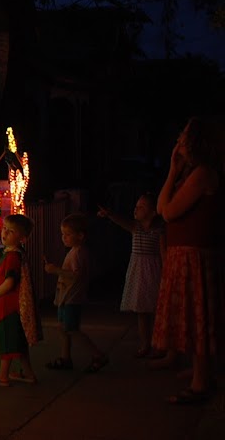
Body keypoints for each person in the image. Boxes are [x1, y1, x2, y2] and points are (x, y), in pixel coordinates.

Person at [151, 116, 222, 404]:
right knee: (192, 316)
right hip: (186, 253)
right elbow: (160, 206)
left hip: (194, 254)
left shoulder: (203, 173)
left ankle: (201, 382)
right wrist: (172, 171)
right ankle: (199, 372)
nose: (178, 142)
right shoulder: (192, 173)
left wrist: (175, 171)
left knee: (198, 316)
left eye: (182, 138)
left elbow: (168, 212)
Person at [98, 192, 165, 357]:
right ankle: (145, 344)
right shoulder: (136, 228)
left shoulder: (159, 231)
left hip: (154, 271)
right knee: (141, 310)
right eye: (136, 206)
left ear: (153, 212)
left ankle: (160, 345)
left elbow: (163, 253)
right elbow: (122, 222)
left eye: (141, 207)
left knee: (157, 310)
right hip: (139, 271)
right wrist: (110, 214)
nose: (136, 210)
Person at [44, 213, 108, 373]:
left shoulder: (78, 253)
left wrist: (56, 270)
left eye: (67, 234)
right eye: (62, 234)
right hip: (66, 297)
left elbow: (76, 275)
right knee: (63, 328)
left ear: (80, 236)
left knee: (72, 329)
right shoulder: (74, 251)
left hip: (72, 298)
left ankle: (98, 354)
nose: (64, 238)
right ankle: (65, 357)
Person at [0, 213, 39, 386]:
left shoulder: (12, 257)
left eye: (11, 231)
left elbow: (10, 282)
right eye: (4, 229)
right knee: (18, 341)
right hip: (14, 306)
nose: (4, 233)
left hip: (8, 305)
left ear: (22, 238)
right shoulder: (16, 253)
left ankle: (2, 376)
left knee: (7, 340)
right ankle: (28, 373)